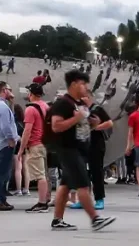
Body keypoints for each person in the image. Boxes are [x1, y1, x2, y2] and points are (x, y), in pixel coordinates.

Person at [47, 69, 115, 231]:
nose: (85, 87)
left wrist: (93, 123)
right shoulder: (62, 104)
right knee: (83, 185)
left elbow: (85, 126)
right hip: (68, 149)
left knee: (65, 185)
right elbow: (56, 126)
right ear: (73, 84)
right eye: (83, 84)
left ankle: (57, 220)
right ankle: (95, 219)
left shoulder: (81, 104)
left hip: (80, 149)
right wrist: (76, 118)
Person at [19, 83, 50, 213]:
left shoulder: (30, 109)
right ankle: (46, 198)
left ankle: (42, 203)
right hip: (44, 143)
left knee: (39, 175)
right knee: (44, 173)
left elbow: (27, 131)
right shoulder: (46, 106)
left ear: (30, 93)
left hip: (35, 144)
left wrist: (21, 149)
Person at [0, 81, 19, 211]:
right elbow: (6, 126)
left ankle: (1, 198)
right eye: (9, 89)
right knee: (2, 173)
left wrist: (11, 103)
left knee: (4, 173)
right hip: (4, 144)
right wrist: (11, 139)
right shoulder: (1, 107)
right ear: (4, 90)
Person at [81, 93, 112, 211]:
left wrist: (95, 127)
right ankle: (84, 199)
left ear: (89, 97)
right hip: (83, 144)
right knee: (84, 173)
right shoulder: (81, 110)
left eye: (83, 96)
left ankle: (99, 199)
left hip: (96, 145)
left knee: (96, 172)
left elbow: (109, 123)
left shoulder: (97, 109)